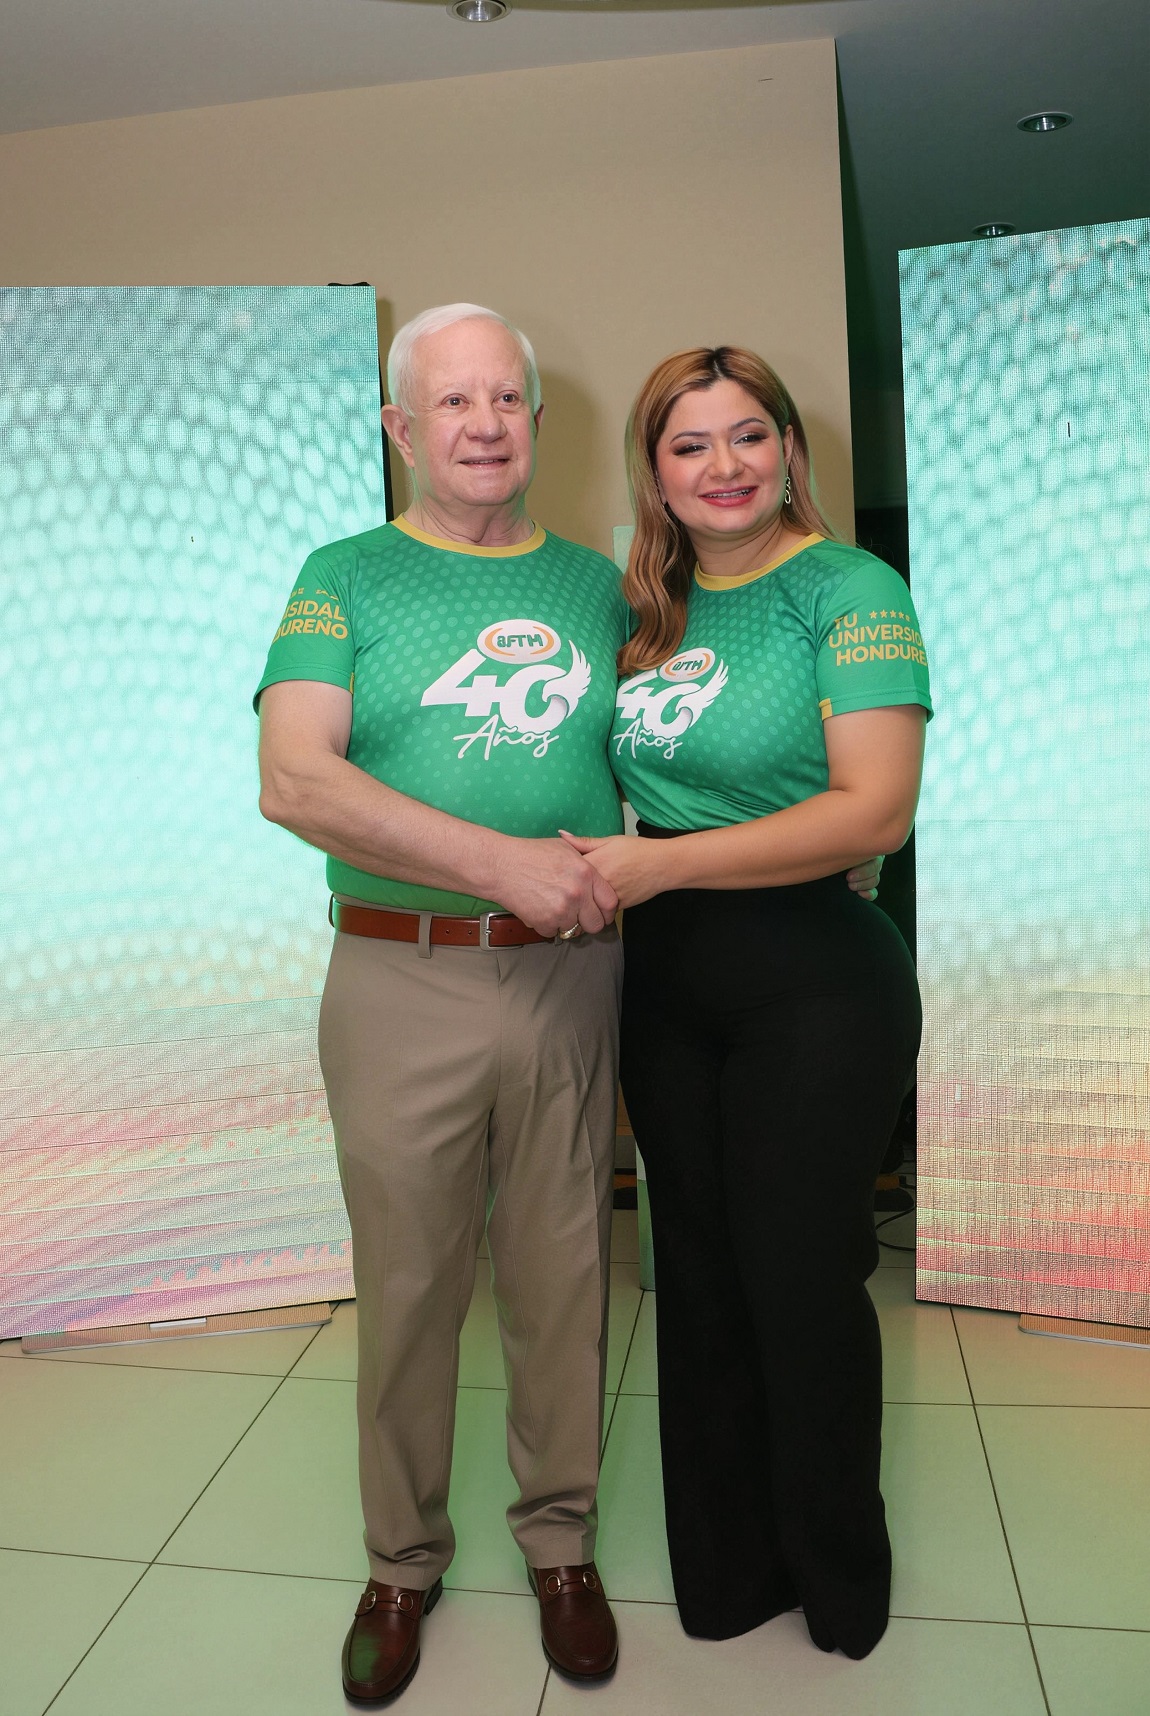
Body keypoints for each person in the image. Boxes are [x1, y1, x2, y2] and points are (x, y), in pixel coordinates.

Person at [255, 304, 629, 1701]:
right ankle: (400, 1562)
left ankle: (560, 1544)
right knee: (410, 1287)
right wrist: (499, 865)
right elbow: (295, 777)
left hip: (571, 980)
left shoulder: (601, 587)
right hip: (396, 970)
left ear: (535, 418)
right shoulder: (342, 577)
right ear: (402, 429)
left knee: (564, 1276)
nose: (484, 425)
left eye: (505, 399)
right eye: (453, 402)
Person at [563, 345, 930, 1661]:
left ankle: (838, 1580)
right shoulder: (643, 610)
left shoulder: (847, 590)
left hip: (814, 980)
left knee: (800, 1281)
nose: (722, 466)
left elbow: (872, 811)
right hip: (667, 985)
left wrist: (661, 865)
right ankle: (725, 1577)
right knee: (700, 1279)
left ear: (788, 448)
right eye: (689, 444)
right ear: (654, 473)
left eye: (747, 436)